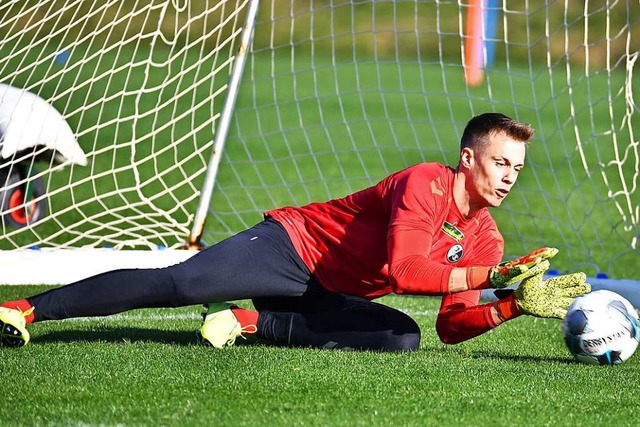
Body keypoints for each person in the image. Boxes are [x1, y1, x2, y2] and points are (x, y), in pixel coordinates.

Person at [0, 113, 591, 351]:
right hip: (290, 250)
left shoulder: (486, 238)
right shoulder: (425, 182)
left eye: (517, 167)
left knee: (401, 340)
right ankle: (27, 311)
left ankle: (252, 322)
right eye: (499, 163)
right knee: (180, 286)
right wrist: (493, 278)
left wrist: (509, 304)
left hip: (324, 292)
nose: (510, 176)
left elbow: (449, 327)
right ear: (468, 159)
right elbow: (407, 270)